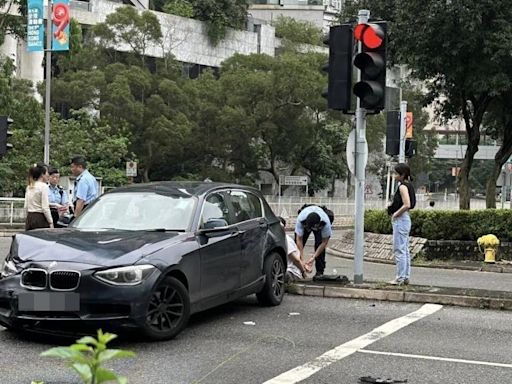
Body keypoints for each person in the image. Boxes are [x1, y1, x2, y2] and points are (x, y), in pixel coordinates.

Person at [387, 163, 416, 285]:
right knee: (404, 249)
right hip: (405, 219)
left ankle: (400, 277)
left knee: (399, 249)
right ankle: (405, 276)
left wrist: (395, 214)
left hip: (401, 219)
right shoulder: (409, 185)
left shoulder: (402, 187)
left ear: (402, 174)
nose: (394, 175)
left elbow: (407, 204)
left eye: (396, 173)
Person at [294, 205, 332, 277]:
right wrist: (302, 259)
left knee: (319, 243)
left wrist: (313, 257)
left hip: (319, 221)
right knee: (295, 247)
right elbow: (299, 239)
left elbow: (324, 242)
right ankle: (296, 268)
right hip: (305, 217)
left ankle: (319, 272)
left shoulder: (326, 223)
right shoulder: (301, 219)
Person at [279, 217, 310, 282]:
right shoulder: (276, 239)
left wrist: (303, 272)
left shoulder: (286, 240)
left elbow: (296, 260)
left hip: (291, 272)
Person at [24, 163, 53, 230]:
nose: (48, 175)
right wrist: (50, 222)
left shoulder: (29, 186)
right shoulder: (44, 186)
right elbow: (45, 207)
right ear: (42, 175)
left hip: (30, 217)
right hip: (40, 218)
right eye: (47, 173)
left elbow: (26, 206)